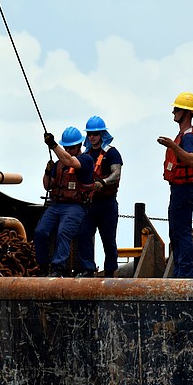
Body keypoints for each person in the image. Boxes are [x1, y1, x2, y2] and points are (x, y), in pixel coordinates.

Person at [34, 126, 95, 277]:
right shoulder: (58, 165)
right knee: (40, 231)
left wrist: (54, 145)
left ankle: (58, 267)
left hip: (75, 206)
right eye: (66, 147)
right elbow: (47, 185)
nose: (68, 151)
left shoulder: (86, 160)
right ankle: (42, 266)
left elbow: (70, 161)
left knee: (63, 232)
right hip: (57, 205)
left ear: (79, 146)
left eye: (71, 147)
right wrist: (47, 172)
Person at [157, 92, 193, 278]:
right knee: (176, 232)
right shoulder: (183, 135)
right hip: (179, 189)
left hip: (184, 189)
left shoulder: (189, 137)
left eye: (176, 109)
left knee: (181, 232)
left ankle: (184, 274)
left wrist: (172, 146)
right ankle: (180, 272)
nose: (173, 112)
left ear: (187, 113)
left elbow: (191, 159)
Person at [77, 116, 123, 277]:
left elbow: (116, 174)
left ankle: (110, 270)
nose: (92, 137)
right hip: (89, 203)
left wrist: (102, 183)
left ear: (102, 134)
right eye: (89, 134)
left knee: (108, 238)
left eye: (95, 134)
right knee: (84, 235)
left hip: (107, 203)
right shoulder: (85, 155)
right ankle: (88, 269)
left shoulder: (112, 153)